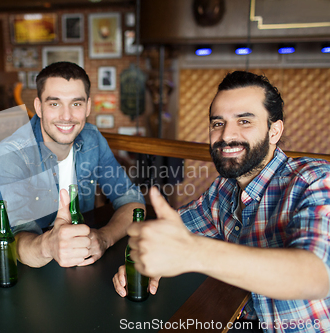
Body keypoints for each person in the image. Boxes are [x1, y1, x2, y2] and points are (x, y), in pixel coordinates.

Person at [113, 71, 330, 332]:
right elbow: (175, 231)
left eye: (244, 121)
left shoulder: (314, 179)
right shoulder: (224, 190)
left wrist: (192, 253)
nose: (226, 135)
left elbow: (317, 276)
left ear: (274, 131)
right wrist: (141, 258)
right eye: (218, 123)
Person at [0, 61, 145, 268]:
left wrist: (104, 238)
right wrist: (50, 245)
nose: (66, 116)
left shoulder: (92, 138)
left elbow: (132, 201)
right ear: (38, 107)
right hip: (34, 272)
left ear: (88, 107)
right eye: (54, 103)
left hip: (85, 261)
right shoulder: (11, 154)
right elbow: (17, 240)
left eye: (76, 104)